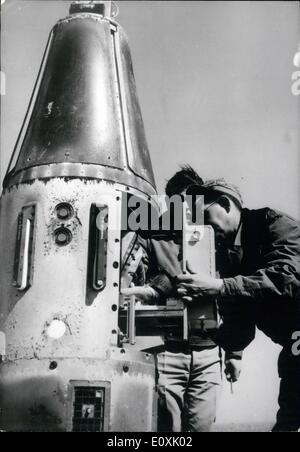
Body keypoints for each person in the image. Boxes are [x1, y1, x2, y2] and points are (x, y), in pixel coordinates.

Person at [122, 167, 253, 432]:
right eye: (179, 203)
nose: (186, 210)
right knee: (165, 429)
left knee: (201, 427)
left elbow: (234, 294)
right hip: (165, 350)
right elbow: (130, 280)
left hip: (208, 352)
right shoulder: (150, 237)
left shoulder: (217, 238)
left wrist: (234, 353)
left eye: (192, 203)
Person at [177, 178, 300, 432]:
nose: (201, 224)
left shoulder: (272, 224)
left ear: (224, 203)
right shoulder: (228, 256)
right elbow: (241, 324)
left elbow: (286, 279)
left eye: (203, 214)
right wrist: (206, 328)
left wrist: (220, 286)